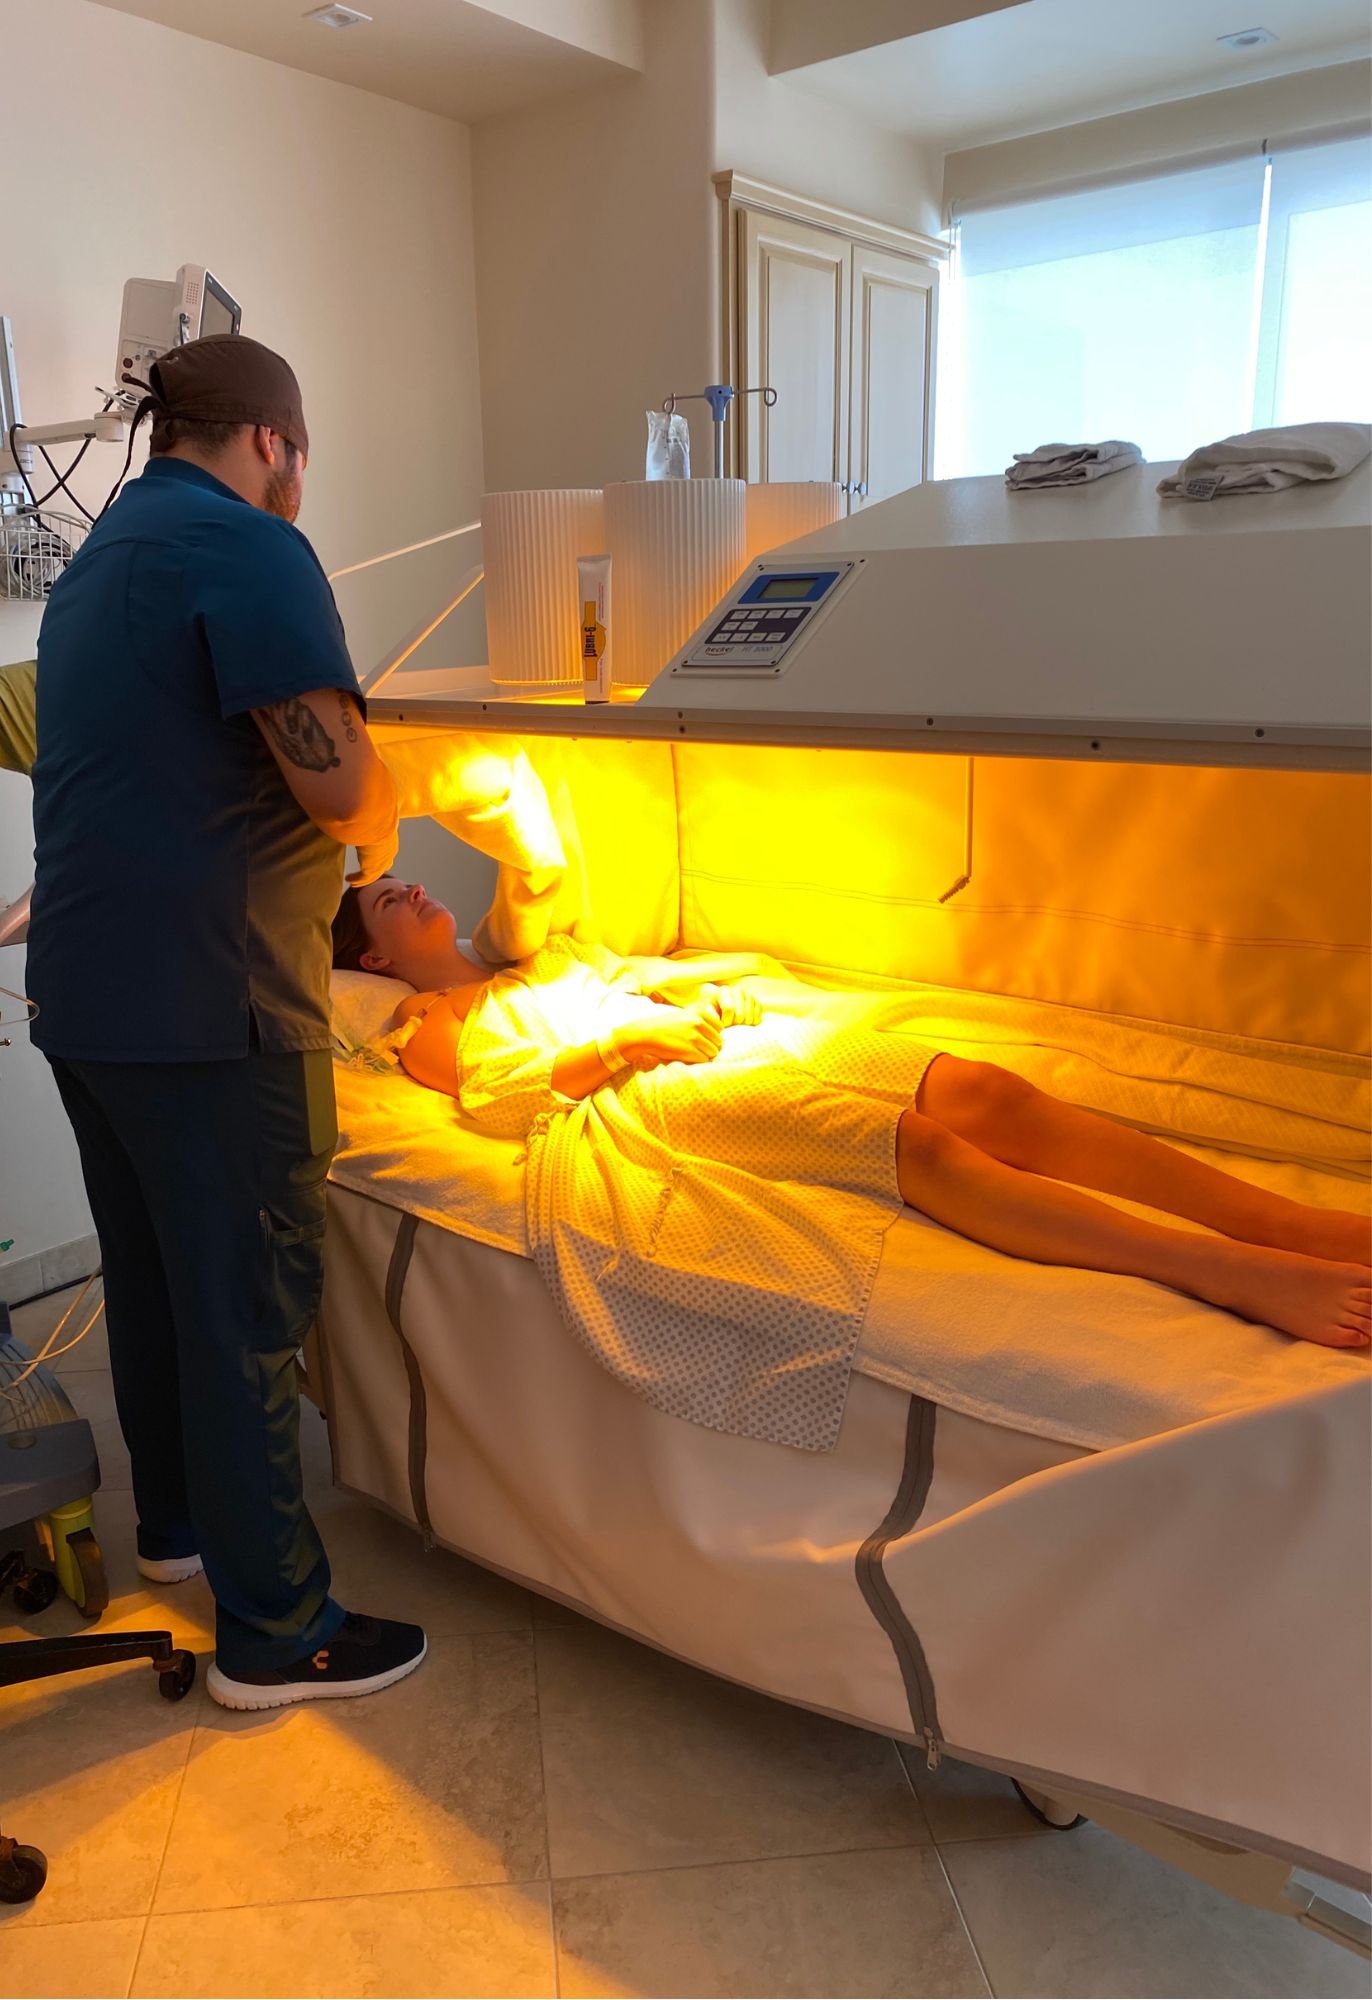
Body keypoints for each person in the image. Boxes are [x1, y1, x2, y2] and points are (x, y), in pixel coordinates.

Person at [27, 336, 426, 1710]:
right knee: (249, 1306)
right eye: (304, 455)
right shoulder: (251, 549)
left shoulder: (96, 567)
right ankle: (280, 1628)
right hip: (215, 1008)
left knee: (151, 1284)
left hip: (86, 1005)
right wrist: (386, 811)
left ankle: (181, 1534)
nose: (303, 477)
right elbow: (334, 790)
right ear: (274, 440)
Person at [334, 877, 1371, 1356]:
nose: (409, 888)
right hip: (642, 1095)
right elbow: (494, 1094)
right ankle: (1224, 1268)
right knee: (925, 1149)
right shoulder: (429, 1014)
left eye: (403, 878)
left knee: (985, 1091)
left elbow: (643, 961)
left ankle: (1276, 1219)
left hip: (700, 1036)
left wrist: (709, 995)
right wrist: (622, 1045)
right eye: (385, 898)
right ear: (374, 960)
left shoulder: (539, 955)